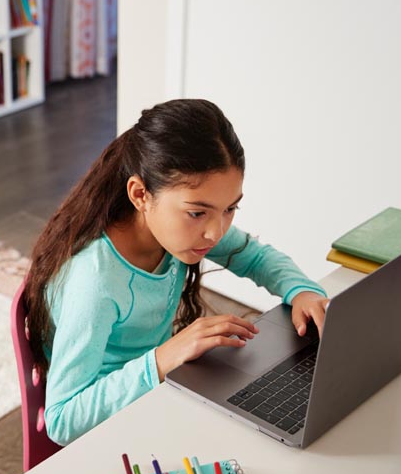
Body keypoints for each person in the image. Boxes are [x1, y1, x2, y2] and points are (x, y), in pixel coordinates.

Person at [23, 99, 330, 446]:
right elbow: (63, 420)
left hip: (160, 387)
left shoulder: (178, 233)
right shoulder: (94, 281)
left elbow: (256, 257)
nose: (216, 232)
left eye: (230, 208)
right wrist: (163, 358)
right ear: (140, 194)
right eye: (198, 213)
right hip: (111, 424)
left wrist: (301, 290)